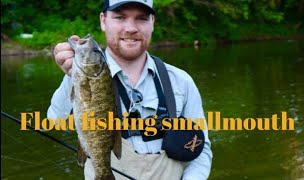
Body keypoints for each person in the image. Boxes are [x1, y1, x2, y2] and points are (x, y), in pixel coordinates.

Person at [48, 0, 212, 179]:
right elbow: (56, 123)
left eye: (141, 18)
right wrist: (71, 75)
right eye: (120, 17)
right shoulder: (80, 76)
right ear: (103, 20)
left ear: (153, 23)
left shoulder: (181, 81)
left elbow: (201, 150)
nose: (131, 28)